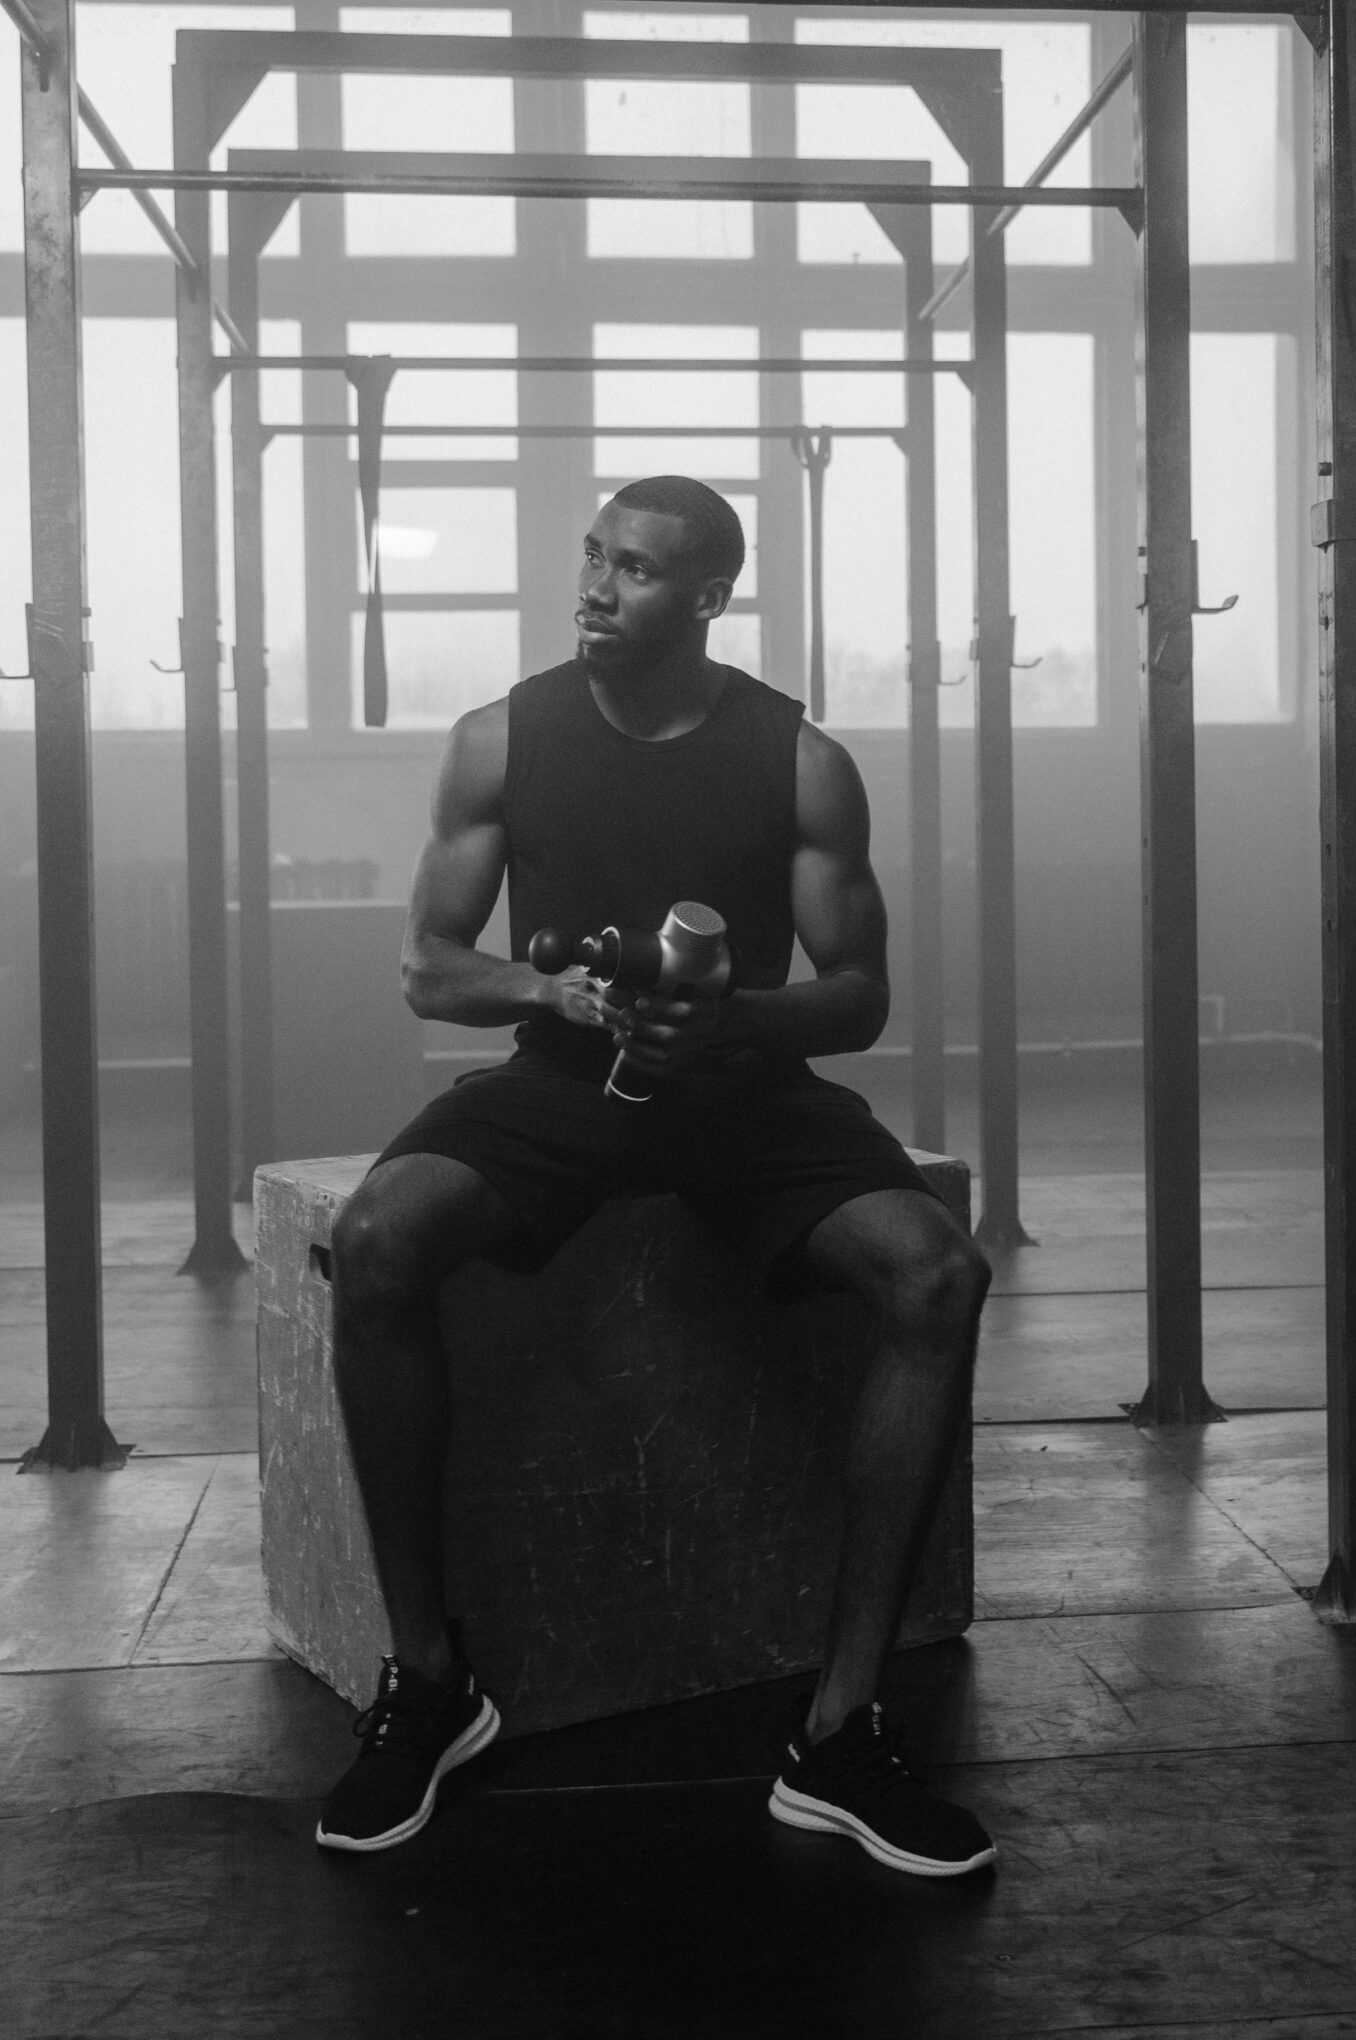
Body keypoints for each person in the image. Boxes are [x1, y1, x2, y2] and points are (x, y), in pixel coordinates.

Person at [316, 474, 994, 1877]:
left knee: (939, 1274)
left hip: (743, 1093)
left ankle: (842, 1733)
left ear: (706, 597)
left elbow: (860, 995)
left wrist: (732, 1017)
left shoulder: (799, 759)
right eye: (592, 556)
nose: (595, 588)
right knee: (380, 1239)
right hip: (561, 1083)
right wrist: (550, 996)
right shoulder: (500, 739)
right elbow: (428, 967)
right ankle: (432, 1686)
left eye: (633, 569)